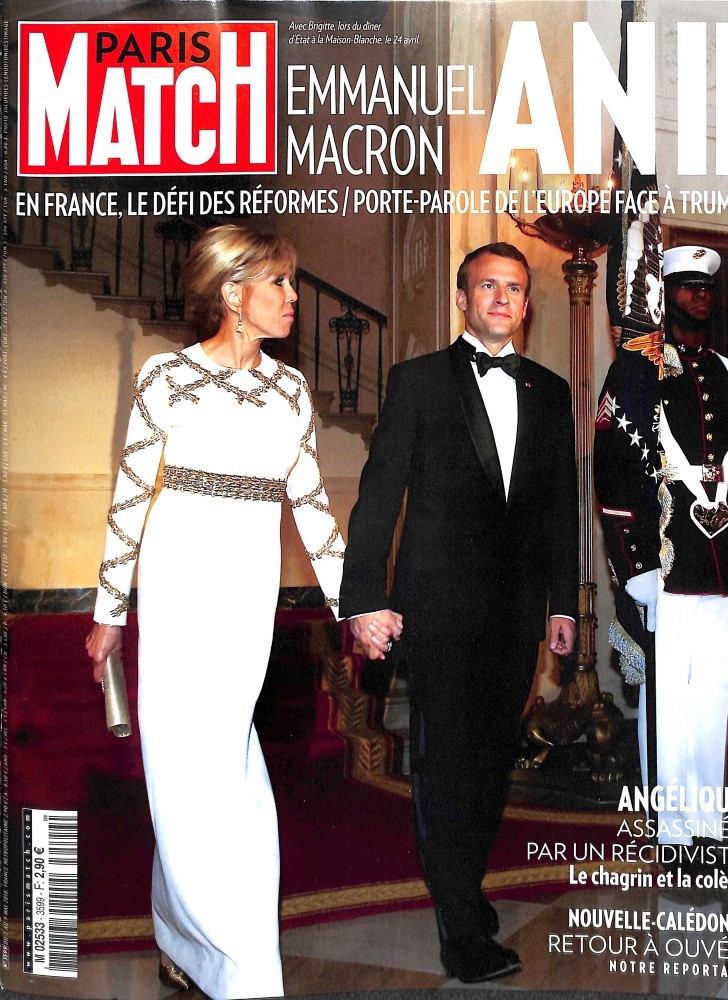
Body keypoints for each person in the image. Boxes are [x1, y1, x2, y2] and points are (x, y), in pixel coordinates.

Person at [85, 226, 381, 1000]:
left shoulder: (291, 391)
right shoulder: (164, 377)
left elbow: (312, 509)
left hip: (248, 587)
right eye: (278, 282)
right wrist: (109, 610)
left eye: (291, 282)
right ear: (231, 293)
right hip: (179, 579)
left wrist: (355, 606)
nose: (293, 296)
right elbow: (129, 499)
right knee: (187, 763)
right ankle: (239, 967)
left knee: (220, 759)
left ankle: (182, 934)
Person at [340, 242, 578, 983]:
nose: (503, 298)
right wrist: (364, 597)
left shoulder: (550, 390)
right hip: (437, 609)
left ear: (526, 304)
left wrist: (564, 604)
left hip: (516, 613)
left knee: (491, 764)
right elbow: (379, 496)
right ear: (462, 298)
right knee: (445, 765)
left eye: (515, 288)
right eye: (488, 286)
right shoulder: (417, 382)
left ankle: (463, 892)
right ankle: (461, 929)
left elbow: (559, 508)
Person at [594, 244, 728, 846]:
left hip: (723, 559)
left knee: (713, 694)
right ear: (664, 295)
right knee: (668, 697)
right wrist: (635, 564)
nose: (700, 295)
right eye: (688, 285)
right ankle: (671, 831)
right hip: (668, 558)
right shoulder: (636, 373)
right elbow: (614, 470)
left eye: (707, 286)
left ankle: (707, 823)